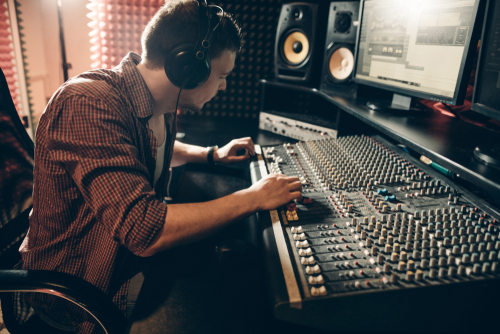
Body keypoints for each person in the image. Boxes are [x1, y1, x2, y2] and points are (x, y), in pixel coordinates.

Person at [17, 0, 302, 333]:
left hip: (121, 259)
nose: (224, 86)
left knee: (237, 262)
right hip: (82, 290)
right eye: (222, 75)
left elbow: (144, 149)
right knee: (242, 302)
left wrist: (212, 154)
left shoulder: (157, 101)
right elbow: (144, 231)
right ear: (188, 69)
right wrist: (254, 197)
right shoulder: (86, 103)